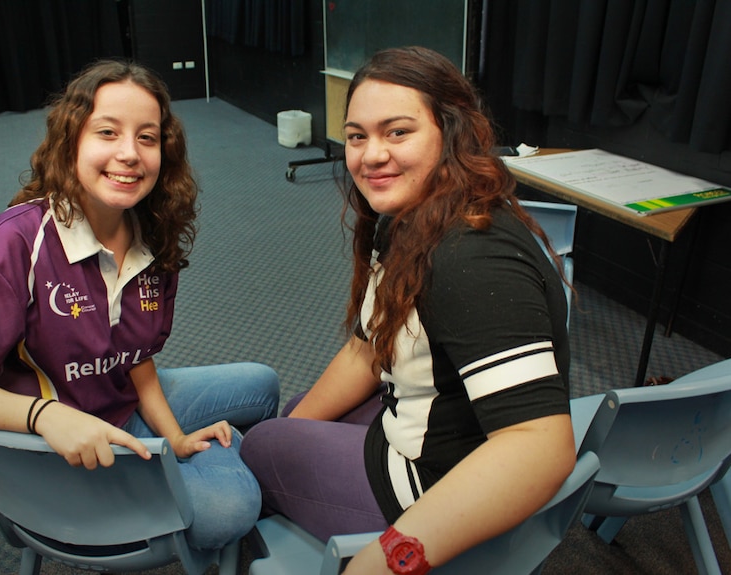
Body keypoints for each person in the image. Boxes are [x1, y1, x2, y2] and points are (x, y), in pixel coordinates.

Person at [0, 59, 279, 552]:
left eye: (147, 138)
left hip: (117, 403)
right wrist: (46, 417)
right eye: (108, 132)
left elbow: (135, 356)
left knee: (263, 384)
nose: (129, 153)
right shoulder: (13, 244)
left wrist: (172, 438)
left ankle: (182, 461)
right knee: (228, 508)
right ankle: (212, 472)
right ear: (71, 143)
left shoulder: (149, 232)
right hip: (57, 447)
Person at [240, 46, 576, 574]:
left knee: (258, 445)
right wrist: (297, 431)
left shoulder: (471, 258)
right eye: (357, 136)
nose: (371, 155)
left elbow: (540, 447)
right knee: (299, 412)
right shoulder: (413, 214)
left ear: (451, 133)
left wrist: (390, 558)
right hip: (428, 425)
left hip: (435, 482)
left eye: (397, 132)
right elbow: (368, 344)